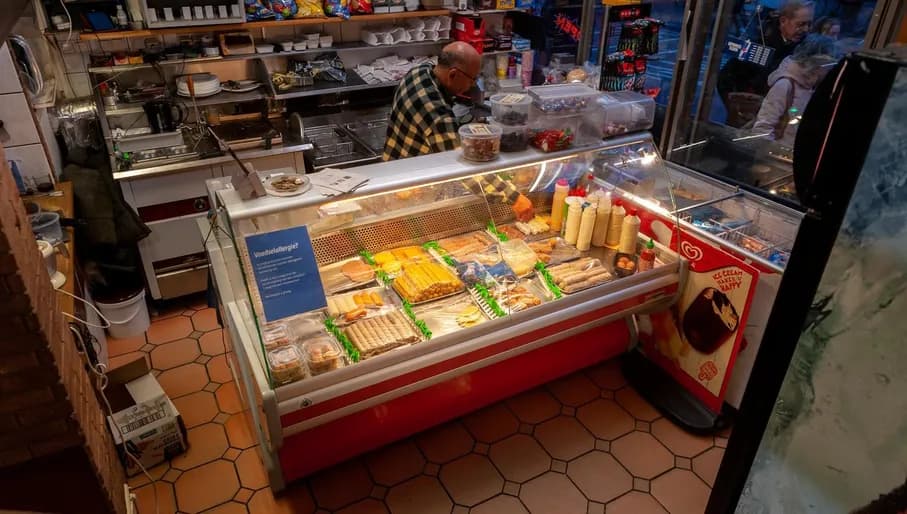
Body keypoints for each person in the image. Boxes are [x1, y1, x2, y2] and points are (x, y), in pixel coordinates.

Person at [383, 41, 534, 221]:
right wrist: (514, 198)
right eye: (472, 79)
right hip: (411, 190)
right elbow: (461, 168)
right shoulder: (438, 116)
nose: (472, 85)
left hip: (392, 168)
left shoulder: (420, 71)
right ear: (453, 74)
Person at [717, 0, 815, 126]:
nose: (806, 29)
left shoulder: (807, 47)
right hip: (750, 117)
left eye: (809, 24)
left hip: (786, 117)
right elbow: (725, 79)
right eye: (801, 24)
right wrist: (735, 106)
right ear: (783, 21)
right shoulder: (758, 42)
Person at [752, 34, 838, 147]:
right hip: (778, 159)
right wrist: (773, 158)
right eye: (829, 66)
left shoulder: (817, 88)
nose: (831, 71)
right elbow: (762, 129)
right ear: (817, 64)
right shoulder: (785, 85)